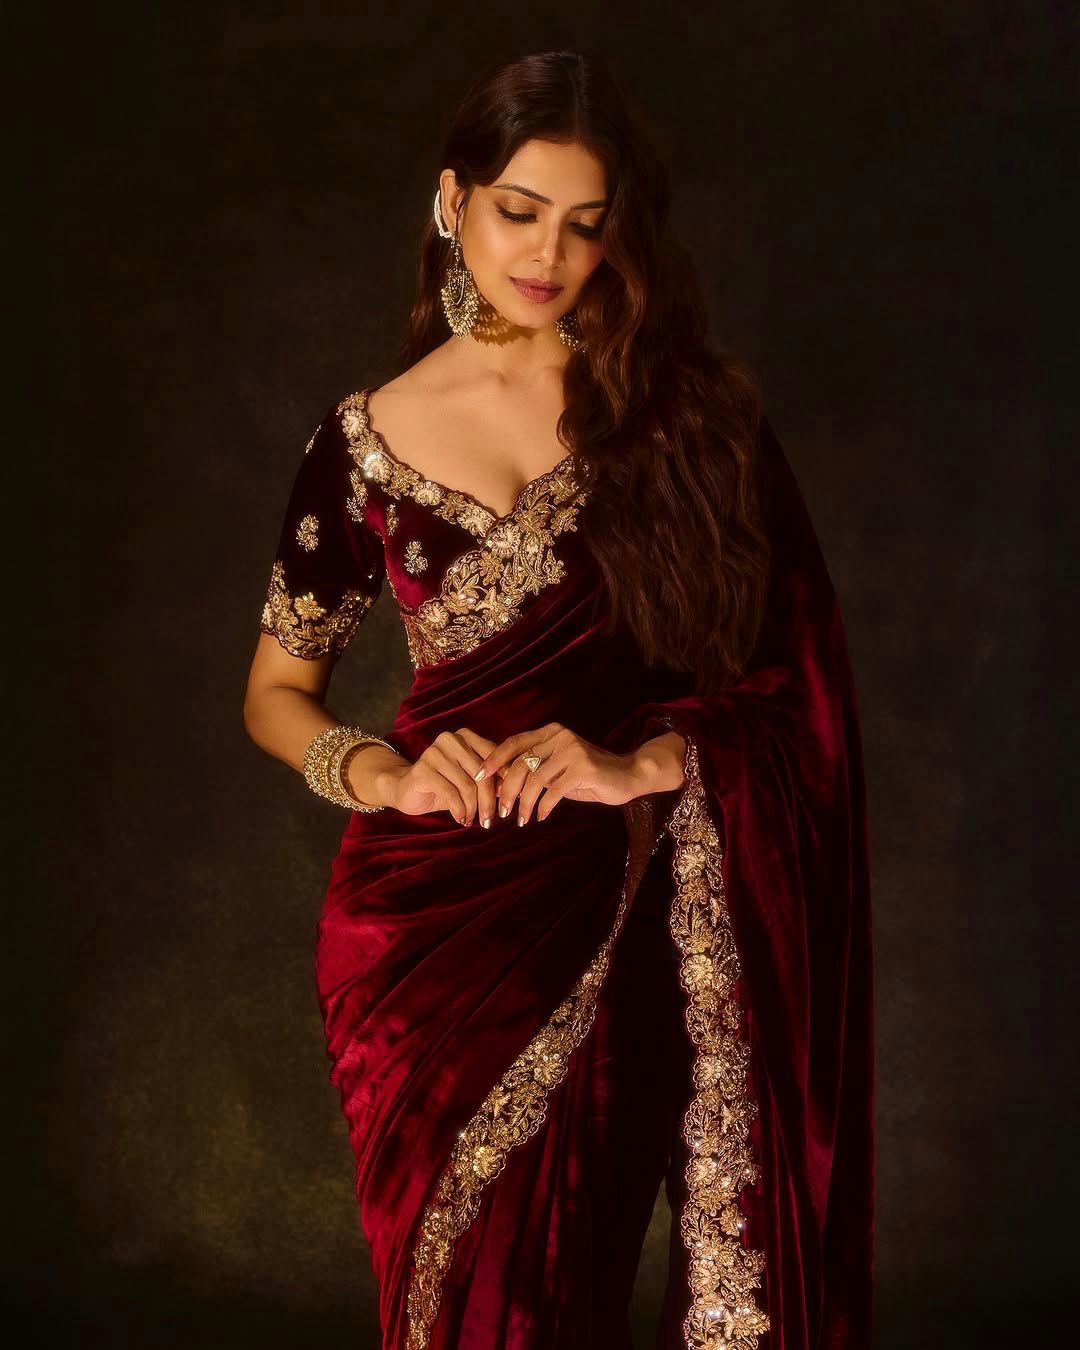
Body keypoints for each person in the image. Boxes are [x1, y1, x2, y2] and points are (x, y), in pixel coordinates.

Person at [243, 49, 873, 1350]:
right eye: (519, 210)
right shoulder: (361, 440)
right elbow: (276, 691)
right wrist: (383, 774)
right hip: (423, 935)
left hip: (633, 903)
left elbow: (796, 682)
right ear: (451, 202)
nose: (547, 253)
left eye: (586, 224)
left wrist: (649, 762)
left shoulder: (684, 419)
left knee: (563, 1293)